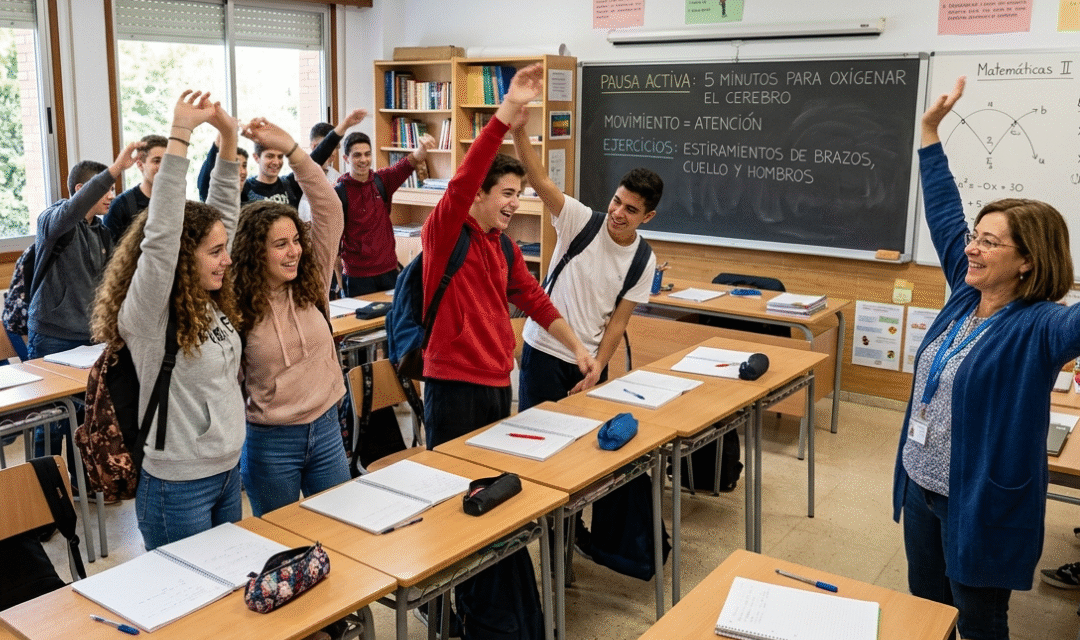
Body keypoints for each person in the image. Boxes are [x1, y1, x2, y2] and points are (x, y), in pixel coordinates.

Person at [892, 75, 1080, 640]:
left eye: (989, 242)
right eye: (975, 236)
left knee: (977, 620)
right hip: (921, 483)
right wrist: (929, 130)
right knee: (928, 611)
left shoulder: (1043, 325)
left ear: (1028, 261)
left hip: (979, 500)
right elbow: (943, 209)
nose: (971, 247)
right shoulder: (965, 291)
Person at [418, 62, 597, 639]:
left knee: (491, 499)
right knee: (458, 502)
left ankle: (487, 609)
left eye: (520, 194)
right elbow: (465, 175)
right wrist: (506, 114)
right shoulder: (447, 229)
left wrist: (579, 349)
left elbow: (535, 300)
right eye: (507, 193)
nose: (515, 203)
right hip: (453, 387)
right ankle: (452, 610)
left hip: (498, 384)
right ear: (479, 195)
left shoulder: (502, 246)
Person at [91, 89, 244, 550]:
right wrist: (180, 133)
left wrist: (229, 138)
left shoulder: (206, 298)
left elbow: (224, 214)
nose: (226, 260)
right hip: (178, 485)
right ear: (182, 257)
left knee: (229, 585)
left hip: (227, 471)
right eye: (215, 252)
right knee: (192, 592)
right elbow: (162, 234)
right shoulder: (149, 312)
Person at [511, 110, 661, 556]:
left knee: (579, 456)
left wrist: (598, 367)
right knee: (539, 450)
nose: (618, 213)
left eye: (631, 209)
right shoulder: (581, 219)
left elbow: (618, 322)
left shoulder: (643, 259)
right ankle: (542, 535)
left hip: (588, 365)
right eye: (617, 201)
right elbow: (539, 179)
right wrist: (518, 130)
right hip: (543, 352)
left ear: (647, 216)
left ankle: (570, 531)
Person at [229, 116, 349, 517]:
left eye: (296, 240)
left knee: (340, 530)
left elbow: (329, 208)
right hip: (271, 442)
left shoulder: (311, 281)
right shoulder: (238, 304)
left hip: (327, 428)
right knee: (283, 542)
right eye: (280, 244)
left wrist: (294, 151)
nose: (294, 251)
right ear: (254, 253)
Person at [27, 140, 140, 470]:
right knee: (48, 423)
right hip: (52, 336)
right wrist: (115, 169)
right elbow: (72, 211)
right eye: (106, 189)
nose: (111, 195)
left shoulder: (100, 232)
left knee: (85, 418)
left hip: (89, 339)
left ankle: (79, 482)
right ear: (82, 189)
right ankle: (45, 487)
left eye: (113, 188)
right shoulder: (53, 220)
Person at [337, 122, 435, 297]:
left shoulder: (381, 181)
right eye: (357, 155)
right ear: (346, 159)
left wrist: (422, 149)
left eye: (367, 154)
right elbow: (334, 238)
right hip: (357, 277)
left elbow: (407, 164)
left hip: (389, 271)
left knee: (394, 313)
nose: (363, 160)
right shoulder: (339, 192)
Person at [104, 134, 167, 242]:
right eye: (156, 161)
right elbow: (111, 250)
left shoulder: (176, 203)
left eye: (166, 162)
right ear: (140, 165)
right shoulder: (120, 206)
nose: (163, 167)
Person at [296, 121, 341, 224]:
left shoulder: (338, 179)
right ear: (314, 146)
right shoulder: (297, 178)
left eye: (336, 147)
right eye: (329, 147)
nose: (333, 152)